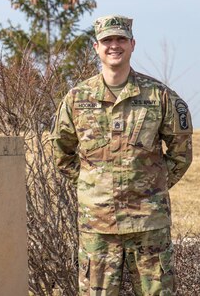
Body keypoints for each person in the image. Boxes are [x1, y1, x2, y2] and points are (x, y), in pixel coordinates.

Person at [50, 15, 193, 295]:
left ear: (132, 44)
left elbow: (180, 154)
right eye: (107, 40)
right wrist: (92, 186)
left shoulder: (160, 97)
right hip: (98, 226)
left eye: (121, 39)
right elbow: (61, 151)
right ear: (96, 47)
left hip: (148, 224)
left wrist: (151, 187)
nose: (114, 45)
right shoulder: (77, 98)